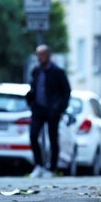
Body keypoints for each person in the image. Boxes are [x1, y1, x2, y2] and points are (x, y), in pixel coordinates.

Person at [26, 44, 71, 178]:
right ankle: (38, 165)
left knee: (52, 138)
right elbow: (33, 88)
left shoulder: (58, 72)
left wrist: (60, 108)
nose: (40, 57)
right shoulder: (36, 71)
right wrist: (30, 100)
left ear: (48, 56)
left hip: (53, 111)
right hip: (38, 109)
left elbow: (66, 91)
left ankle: (52, 168)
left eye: (42, 54)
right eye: (38, 55)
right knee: (33, 135)